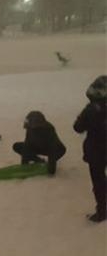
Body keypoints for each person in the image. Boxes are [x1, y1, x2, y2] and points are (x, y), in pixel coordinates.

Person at [73, 75, 107, 223]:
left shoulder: (90, 109)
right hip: (98, 149)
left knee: (98, 181)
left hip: (96, 150)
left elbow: (78, 128)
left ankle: (102, 211)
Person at [12, 110, 66, 175]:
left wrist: (51, 169)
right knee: (17, 146)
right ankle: (39, 160)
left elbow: (52, 149)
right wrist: (24, 165)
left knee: (58, 151)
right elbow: (27, 145)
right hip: (38, 146)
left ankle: (47, 163)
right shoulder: (30, 128)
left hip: (56, 149)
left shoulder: (48, 129)